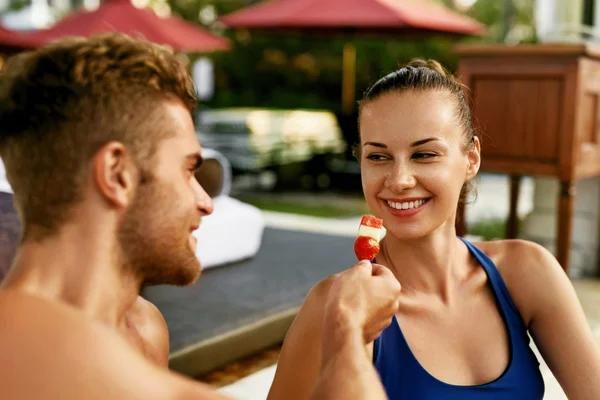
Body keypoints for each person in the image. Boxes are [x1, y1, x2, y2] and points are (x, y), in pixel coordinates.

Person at [0, 32, 400, 399]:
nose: (206, 201)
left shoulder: (144, 329)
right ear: (117, 174)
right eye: (189, 169)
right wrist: (347, 332)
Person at [269, 59, 600, 400]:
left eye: (424, 154)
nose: (398, 181)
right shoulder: (336, 307)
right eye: (378, 157)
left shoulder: (526, 272)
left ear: (471, 159)